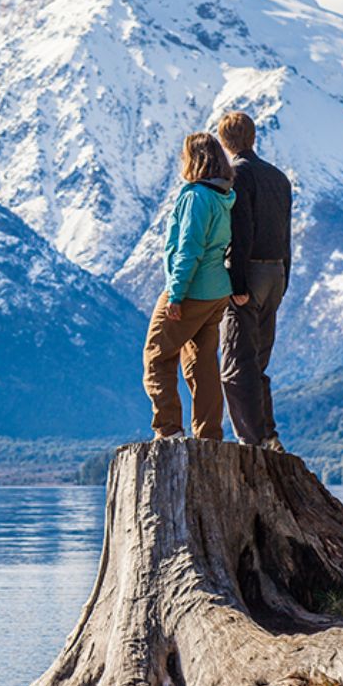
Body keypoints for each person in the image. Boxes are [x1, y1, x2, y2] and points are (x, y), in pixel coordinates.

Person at [206, 111, 292, 452]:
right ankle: (268, 435)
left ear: (224, 142)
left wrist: (237, 284)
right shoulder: (279, 177)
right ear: (253, 137)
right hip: (276, 274)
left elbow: (241, 231)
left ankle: (252, 441)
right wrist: (283, 279)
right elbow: (286, 235)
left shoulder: (238, 174)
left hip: (250, 273)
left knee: (235, 363)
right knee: (257, 362)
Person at [142, 132, 236, 440]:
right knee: (202, 362)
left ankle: (168, 429)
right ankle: (208, 434)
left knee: (157, 355)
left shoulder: (196, 197)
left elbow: (189, 249)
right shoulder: (224, 196)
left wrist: (176, 294)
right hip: (217, 291)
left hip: (192, 290)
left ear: (194, 160)